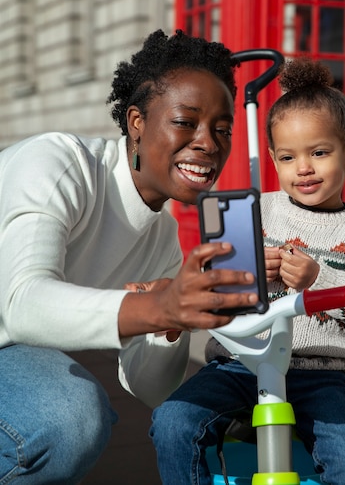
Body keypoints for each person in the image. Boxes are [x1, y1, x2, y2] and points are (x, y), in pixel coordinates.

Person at [0, 29, 260, 484]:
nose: (209, 143)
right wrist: (158, 304)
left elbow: (151, 387)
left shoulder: (162, 241)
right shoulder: (60, 163)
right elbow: (22, 302)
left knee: (75, 415)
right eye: (186, 121)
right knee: (68, 416)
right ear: (137, 121)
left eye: (223, 130)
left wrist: (171, 325)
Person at [150, 57, 345, 485]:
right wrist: (242, 268)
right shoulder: (258, 210)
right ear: (273, 159)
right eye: (288, 157)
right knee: (172, 422)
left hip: (318, 374)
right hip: (239, 364)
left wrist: (319, 277)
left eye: (319, 153)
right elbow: (213, 282)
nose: (303, 168)